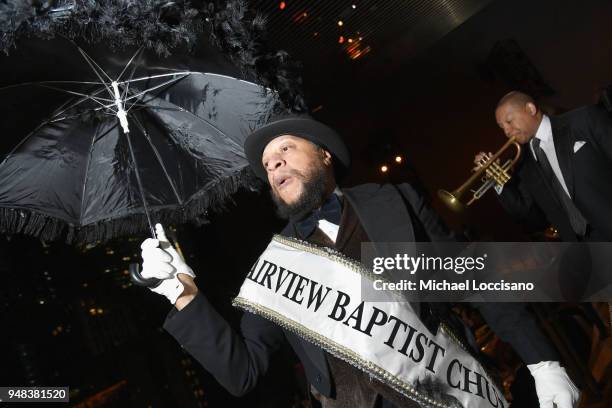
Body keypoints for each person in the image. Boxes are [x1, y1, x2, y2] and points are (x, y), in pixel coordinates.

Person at [140, 115, 580, 407]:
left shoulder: (393, 202)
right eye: (267, 165)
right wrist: (183, 294)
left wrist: (543, 362)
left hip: (448, 392)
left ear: (325, 154)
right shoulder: (276, 265)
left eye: (285, 150)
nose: (273, 165)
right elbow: (243, 371)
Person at [474, 91, 612, 241]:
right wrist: (497, 181)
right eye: (502, 127)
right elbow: (532, 217)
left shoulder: (584, 119)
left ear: (530, 109)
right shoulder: (523, 164)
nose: (506, 131)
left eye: (509, 121)